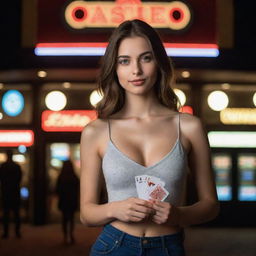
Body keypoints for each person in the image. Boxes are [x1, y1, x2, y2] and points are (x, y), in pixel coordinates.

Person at [80, 19, 219, 256]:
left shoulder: (188, 127)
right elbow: (86, 213)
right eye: (125, 61)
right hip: (114, 246)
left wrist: (179, 214)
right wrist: (115, 209)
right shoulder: (96, 131)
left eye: (146, 58)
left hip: (168, 247)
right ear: (115, 67)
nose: (136, 70)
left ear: (159, 63)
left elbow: (211, 205)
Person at [56, 159, 79, 244]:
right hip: (72, 200)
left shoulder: (61, 177)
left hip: (64, 200)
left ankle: (65, 236)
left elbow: (57, 190)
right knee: (71, 219)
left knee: (64, 219)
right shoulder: (74, 177)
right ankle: (71, 235)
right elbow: (78, 189)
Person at [0, 150, 22, 239]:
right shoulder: (16, 167)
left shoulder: (3, 167)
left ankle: (6, 233)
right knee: (16, 214)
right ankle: (17, 232)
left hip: (6, 193)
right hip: (15, 192)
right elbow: (19, 178)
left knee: (6, 214)